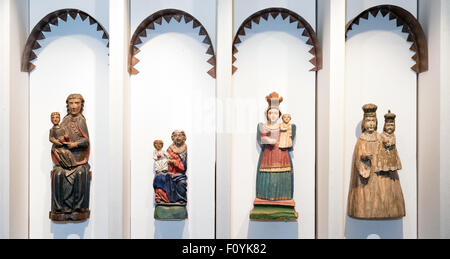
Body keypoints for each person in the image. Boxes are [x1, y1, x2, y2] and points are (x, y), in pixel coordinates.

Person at [49, 94, 91, 221]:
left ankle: (78, 207)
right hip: (65, 159)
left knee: (80, 173)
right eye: (71, 103)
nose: (74, 106)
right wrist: (59, 144)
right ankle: (59, 208)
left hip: (79, 159)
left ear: (81, 105)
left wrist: (75, 144)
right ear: (68, 106)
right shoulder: (65, 120)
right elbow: (57, 136)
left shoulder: (81, 120)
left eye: (77, 103)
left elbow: (86, 141)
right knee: (58, 174)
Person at [372, 110, 405, 218]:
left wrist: (391, 143)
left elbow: (393, 142)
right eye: (388, 124)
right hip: (383, 156)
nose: (390, 126)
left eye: (392, 124)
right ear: (384, 125)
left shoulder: (393, 136)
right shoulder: (382, 135)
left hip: (391, 156)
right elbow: (383, 142)